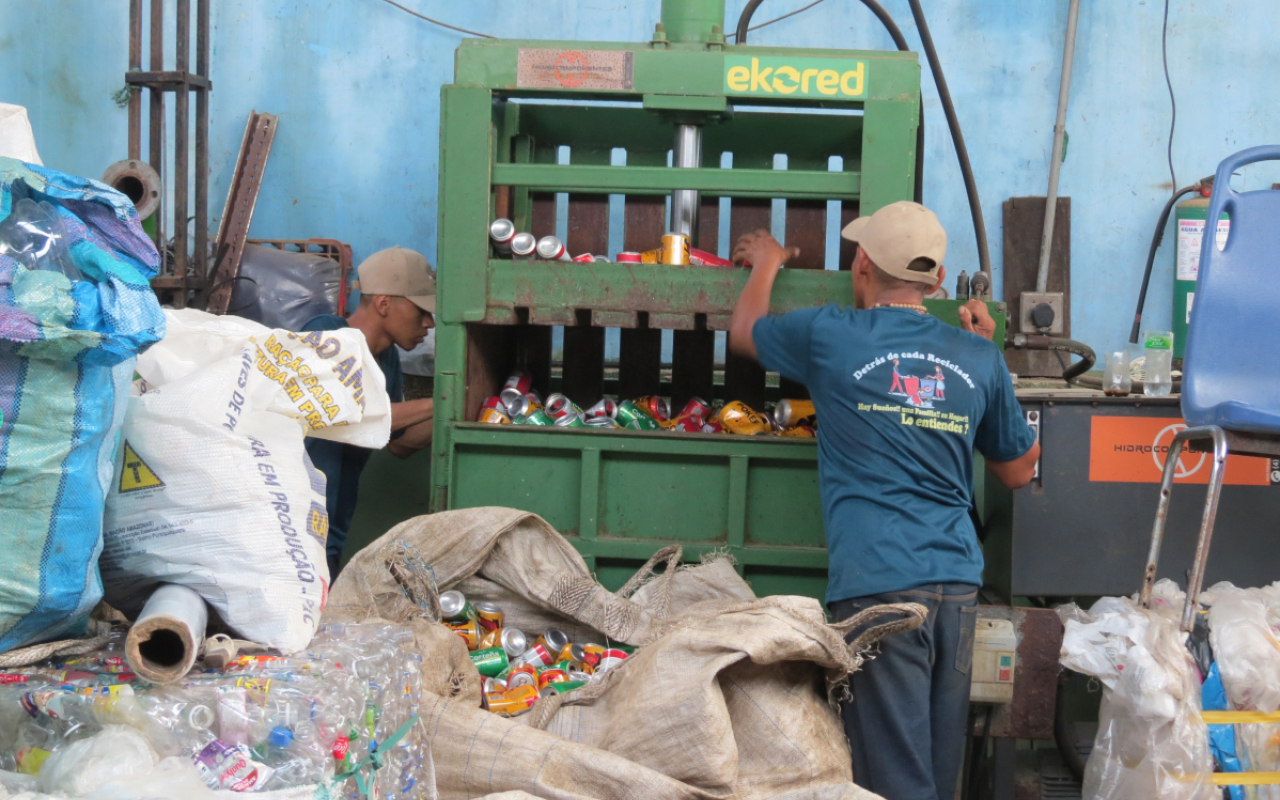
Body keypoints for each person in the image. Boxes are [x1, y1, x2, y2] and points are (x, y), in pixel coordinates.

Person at [728, 201, 1040, 800]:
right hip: (955, 587)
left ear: (862, 263)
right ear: (938, 281)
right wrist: (988, 354)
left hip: (879, 587)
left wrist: (765, 264)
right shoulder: (978, 357)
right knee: (934, 767)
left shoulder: (831, 334)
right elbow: (1020, 471)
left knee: (887, 779)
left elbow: (745, 333)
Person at [303, 246, 436, 578]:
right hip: (293, 524)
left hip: (332, 528)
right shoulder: (327, 334)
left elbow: (398, 442)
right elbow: (351, 415)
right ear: (384, 303)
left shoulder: (388, 360)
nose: (429, 323)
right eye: (421, 311)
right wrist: (442, 401)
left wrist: (463, 410)